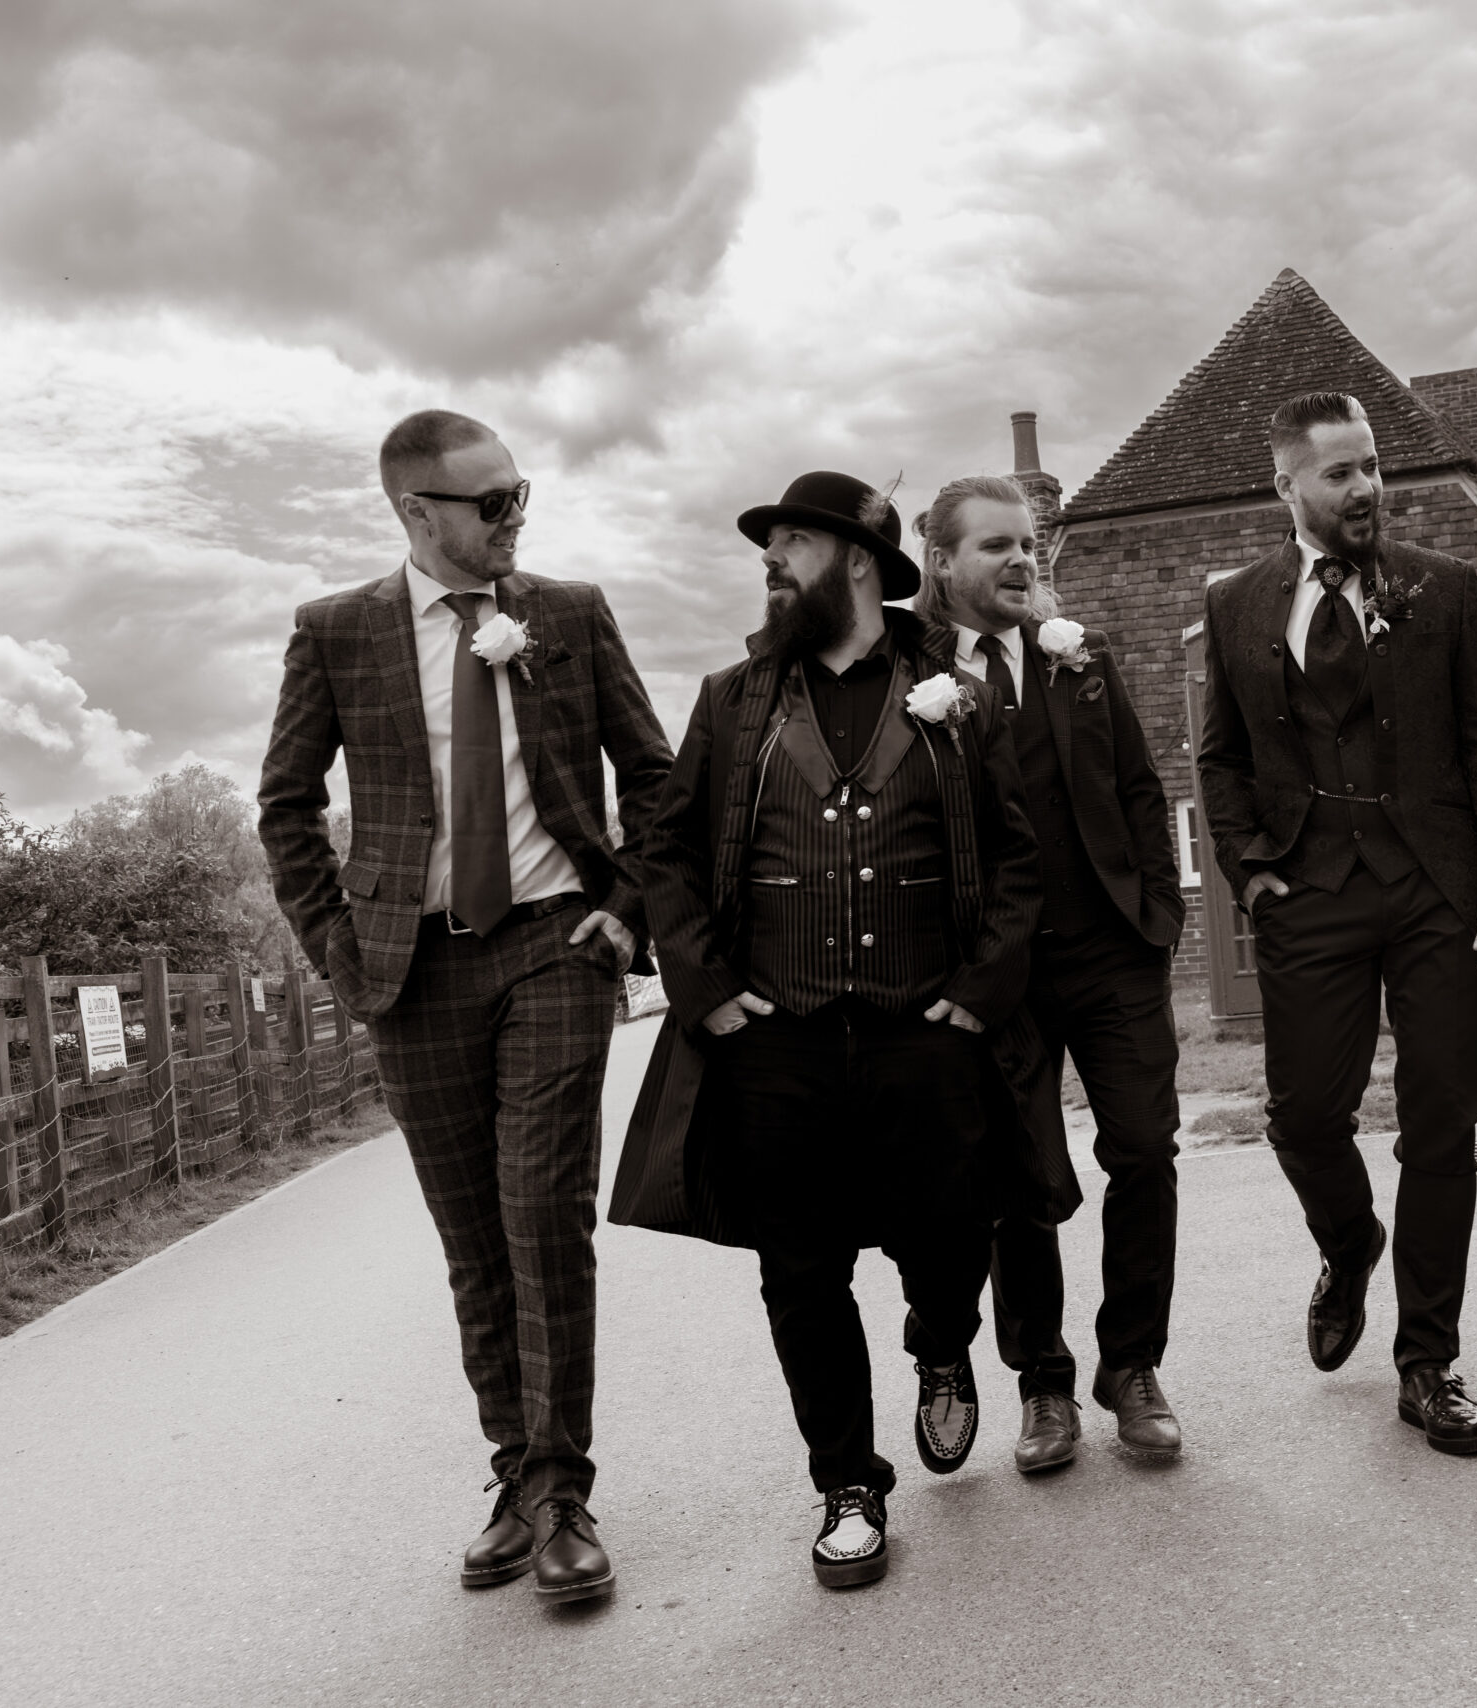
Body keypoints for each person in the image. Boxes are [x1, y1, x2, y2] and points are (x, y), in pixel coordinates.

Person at [258, 409, 672, 1604]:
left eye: (519, 494)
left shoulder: (571, 613)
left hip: (554, 946)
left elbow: (655, 779)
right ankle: (517, 1475)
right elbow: (285, 805)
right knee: (474, 1241)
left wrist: (626, 911)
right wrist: (341, 953)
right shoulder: (335, 631)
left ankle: (562, 1492)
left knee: (542, 1214)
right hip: (412, 972)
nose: (515, 518)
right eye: (491, 503)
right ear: (415, 510)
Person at [608, 470, 1040, 1588]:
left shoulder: (953, 695)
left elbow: (1016, 857)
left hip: (924, 1028)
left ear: (855, 559)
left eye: (790, 543)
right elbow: (665, 848)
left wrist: (980, 990)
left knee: (952, 1239)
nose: (770, 562)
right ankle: (848, 1482)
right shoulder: (731, 701)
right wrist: (703, 984)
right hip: (777, 1038)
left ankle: (941, 1343)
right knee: (800, 1271)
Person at [1196, 391, 1477, 1455]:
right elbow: (1220, 757)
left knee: (1442, 1121)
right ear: (1287, 485)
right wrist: (1251, 869)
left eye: (1372, 467)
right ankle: (1349, 1243)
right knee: (1303, 1116)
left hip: (1435, 888)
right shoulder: (1236, 603)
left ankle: (1427, 1360)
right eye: (1340, 472)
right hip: (1309, 891)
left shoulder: (1442, 586)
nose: (1365, 489)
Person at [914, 476, 1190, 1471]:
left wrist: (1159, 916)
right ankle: (1043, 1380)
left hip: (1113, 950)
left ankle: (1134, 1364)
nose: (1021, 560)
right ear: (942, 561)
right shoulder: (914, 671)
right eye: (996, 545)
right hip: (998, 973)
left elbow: (1140, 787)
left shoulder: (1080, 653)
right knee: (1019, 1183)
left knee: (1144, 1151)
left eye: (1028, 543)